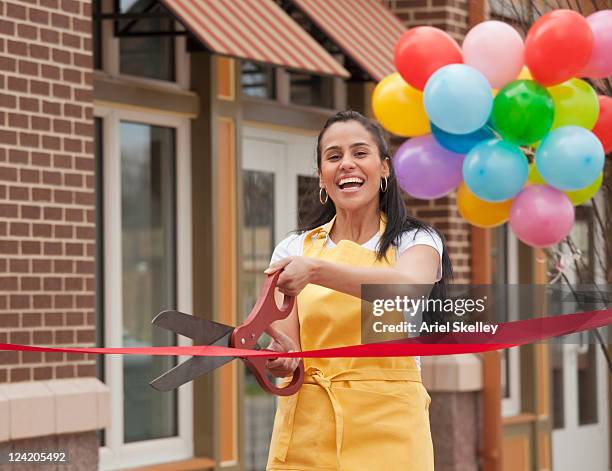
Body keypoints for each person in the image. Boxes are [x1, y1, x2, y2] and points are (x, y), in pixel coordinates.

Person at [263, 110, 453, 471]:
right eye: (333, 157)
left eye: (359, 153)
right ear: (321, 176)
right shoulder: (293, 250)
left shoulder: (416, 241)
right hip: (308, 433)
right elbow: (288, 348)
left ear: (384, 168)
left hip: (390, 433)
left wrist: (317, 271)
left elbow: (408, 290)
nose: (346, 164)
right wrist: (280, 358)